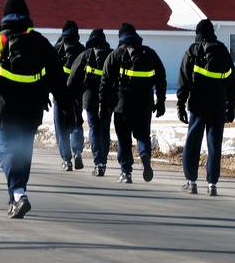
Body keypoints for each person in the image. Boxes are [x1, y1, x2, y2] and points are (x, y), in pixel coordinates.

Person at [0, 0, 71, 218]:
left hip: (4, 109)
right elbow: (58, 79)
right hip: (31, 110)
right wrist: (67, 106)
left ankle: (18, 195)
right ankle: (18, 194)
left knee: (7, 152)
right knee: (23, 153)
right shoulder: (40, 42)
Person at [175, 19, 235, 196]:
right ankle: (212, 184)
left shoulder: (193, 51)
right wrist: (231, 106)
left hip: (198, 103)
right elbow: (232, 81)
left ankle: (192, 181)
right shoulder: (223, 51)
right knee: (214, 143)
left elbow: (184, 80)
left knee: (193, 142)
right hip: (218, 104)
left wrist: (180, 104)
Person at [99, 23, 167, 184]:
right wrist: (161, 101)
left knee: (124, 139)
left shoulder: (116, 55)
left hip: (123, 104)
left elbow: (105, 82)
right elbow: (161, 78)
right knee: (143, 135)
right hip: (145, 103)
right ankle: (144, 155)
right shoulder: (150, 53)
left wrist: (103, 105)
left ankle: (126, 172)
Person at [68, 29, 113, 176]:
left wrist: (72, 96)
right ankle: (103, 160)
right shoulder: (112, 55)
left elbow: (73, 78)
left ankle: (98, 163)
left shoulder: (85, 55)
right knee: (105, 127)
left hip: (89, 97)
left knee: (94, 127)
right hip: (108, 98)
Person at [54, 20, 86, 171]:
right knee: (76, 123)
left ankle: (66, 160)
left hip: (59, 94)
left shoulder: (57, 48)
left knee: (61, 127)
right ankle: (77, 150)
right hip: (77, 94)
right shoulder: (82, 49)